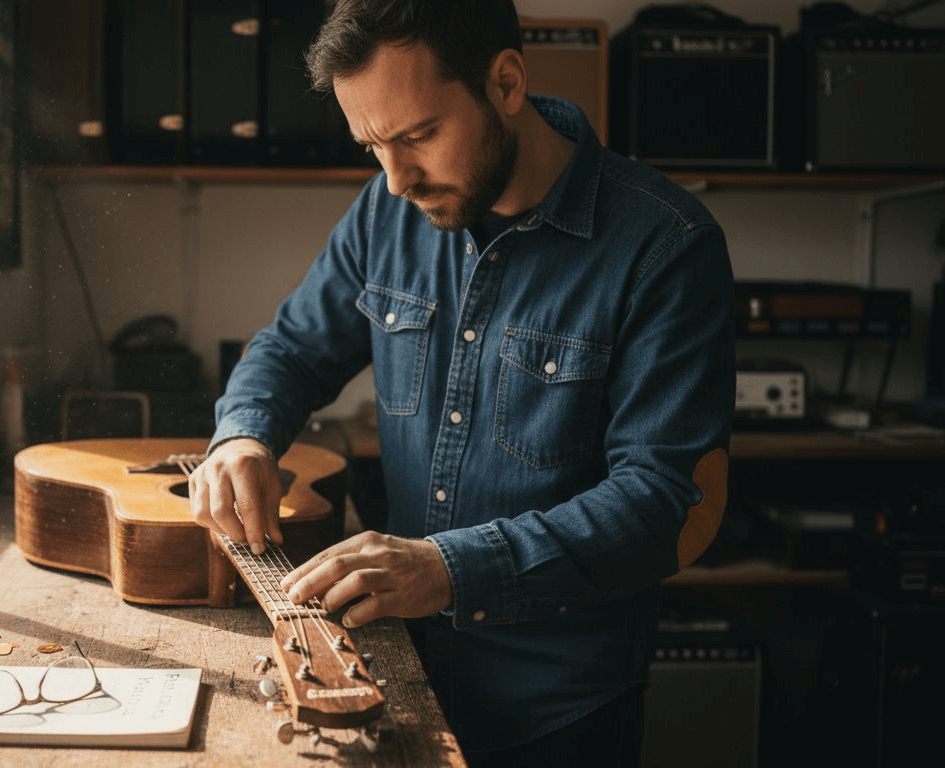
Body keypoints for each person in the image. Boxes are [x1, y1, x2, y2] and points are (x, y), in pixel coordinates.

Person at [187, 1, 735, 765]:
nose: (397, 178)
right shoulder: (385, 211)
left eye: (417, 136)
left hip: (558, 708)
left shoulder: (666, 247)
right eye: (373, 145)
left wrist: (449, 569)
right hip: (394, 669)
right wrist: (244, 433)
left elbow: (663, 501)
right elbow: (293, 347)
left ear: (506, 82)